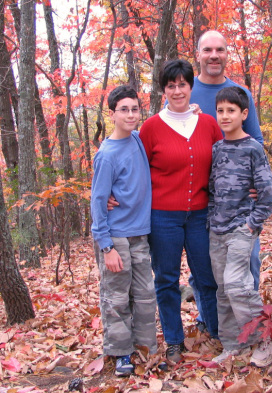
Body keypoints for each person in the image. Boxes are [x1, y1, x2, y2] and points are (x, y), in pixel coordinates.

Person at [139, 59, 223, 363]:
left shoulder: (208, 123)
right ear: (164, 90)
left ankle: (215, 332)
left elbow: (226, 163)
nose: (177, 90)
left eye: (182, 85)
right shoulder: (150, 128)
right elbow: (135, 171)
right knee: (166, 280)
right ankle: (174, 340)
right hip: (162, 217)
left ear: (191, 86)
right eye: (171, 85)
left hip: (201, 214)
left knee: (207, 277)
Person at [188, 30, 263, 333]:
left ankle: (254, 330)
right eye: (208, 50)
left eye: (220, 49)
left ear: (227, 53)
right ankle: (216, 327)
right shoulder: (185, 92)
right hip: (200, 198)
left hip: (240, 201)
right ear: (198, 54)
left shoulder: (239, 93)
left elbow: (256, 138)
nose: (214, 55)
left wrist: (257, 182)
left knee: (247, 262)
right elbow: (160, 140)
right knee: (207, 268)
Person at [208, 86, 272, 367]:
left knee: (238, 285)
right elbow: (213, 190)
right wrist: (211, 222)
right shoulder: (217, 148)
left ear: (244, 114)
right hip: (216, 229)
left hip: (242, 228)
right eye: (221, 111)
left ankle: (268, 336)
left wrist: (252, 224)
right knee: (223, 289)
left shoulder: (253, 148)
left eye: (231, 111)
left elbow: (267, 196)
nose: (225, 116)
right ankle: (232, 344)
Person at [91, 85, 157, 377]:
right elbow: (97, 200)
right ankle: (120, 352)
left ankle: (145, 347)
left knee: (144, 294)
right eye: (124, 109)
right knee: (117, 297)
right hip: (115, 237)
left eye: (134, 108)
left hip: (139, 233)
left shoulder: (137, 141)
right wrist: (106, 247)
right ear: (112, 114)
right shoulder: (107, 154)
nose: (130, 115)